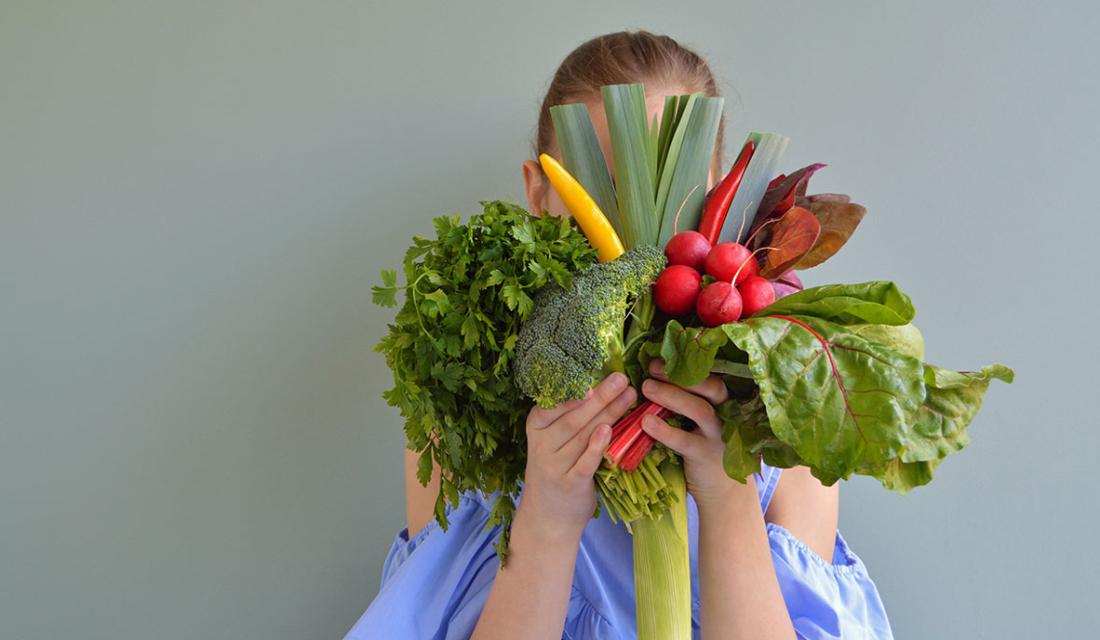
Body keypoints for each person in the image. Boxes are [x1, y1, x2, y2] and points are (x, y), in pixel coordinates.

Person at [346, 31, 893, 640]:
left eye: (668, 182)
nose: (636, 226)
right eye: (602, 185)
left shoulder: (785, 401)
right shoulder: (456, 399)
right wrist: (547, 518)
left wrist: (727, 497)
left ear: (719, 192)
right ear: (540, 190)